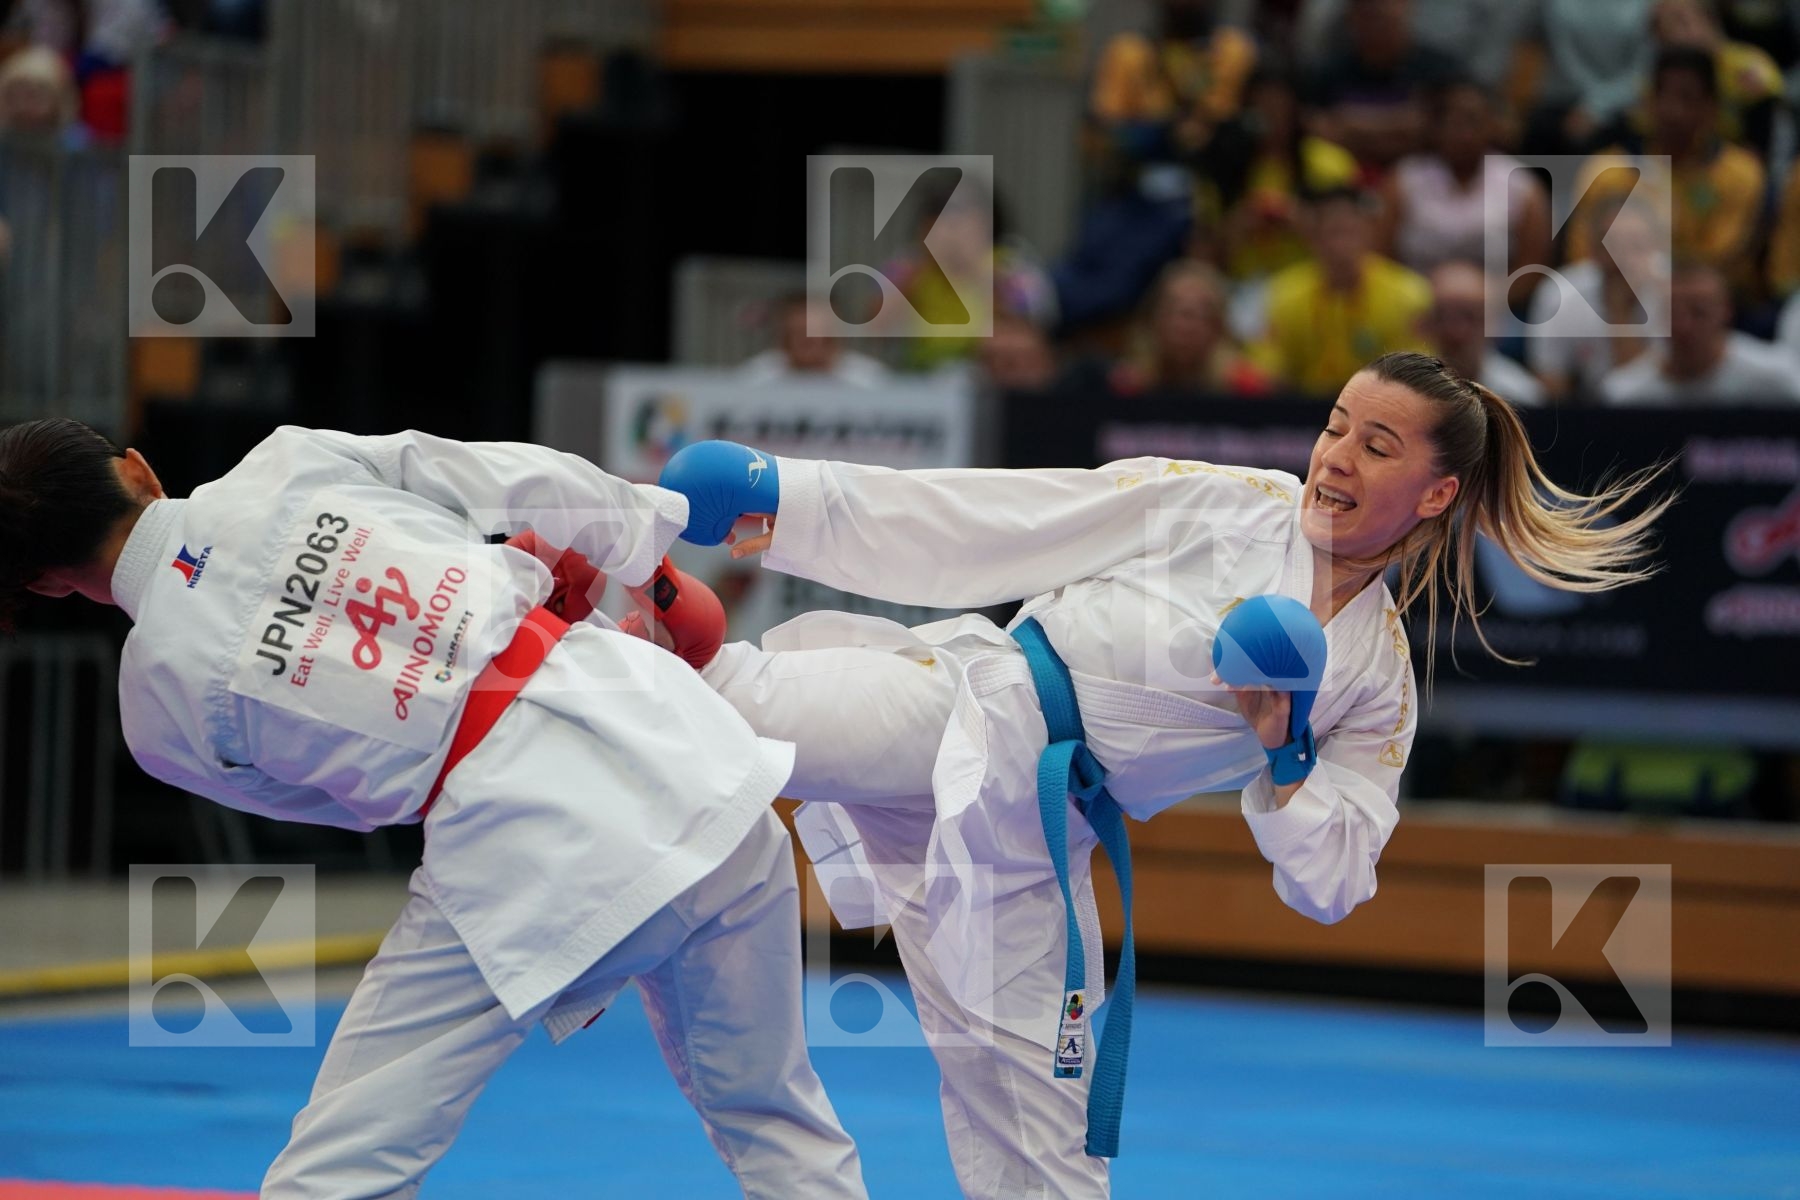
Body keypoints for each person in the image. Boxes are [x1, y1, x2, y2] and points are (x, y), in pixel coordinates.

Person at [658, 350, 1670, 1197]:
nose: (1337, 456)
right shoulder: (1228, 506)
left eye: (1377, 444)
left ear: (1436, 493)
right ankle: (550, 623)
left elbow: (1331, 882)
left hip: (1038, 843)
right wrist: (787, 501)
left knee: (1048, 1165)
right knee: (720, 708)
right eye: (1335, 426)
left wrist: (1285, 751)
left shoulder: (1374, 684)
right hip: (970, 708)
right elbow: (1002, 521)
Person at [0, 419, 866, 1198]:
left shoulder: (155, 709)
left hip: (524, 842)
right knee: (778, 1122)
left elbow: (346, 807)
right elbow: (525, 480)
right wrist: (649, 560)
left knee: (335, 1173)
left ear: (43, 585)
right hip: (692, 754)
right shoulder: (288, 462)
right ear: (141, 470)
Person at [1566, 46, 1766, 300]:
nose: (1673, 110)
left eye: (1687, 98)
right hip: (1617, 298)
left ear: (1711, 107)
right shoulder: (1606, 170)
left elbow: (1721, 259)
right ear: (1648, 101)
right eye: (1663, 95)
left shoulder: (1741, 173)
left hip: (1704, 303)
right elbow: (1583, 256)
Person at [1380, 81, 1550, 316]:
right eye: (1455, 122)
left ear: (1491, 125)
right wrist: (1416, 302)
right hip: (1415, 308)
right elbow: (1381, 255)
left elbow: (1532, 268)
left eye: (1474, 121)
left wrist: (1482, 306)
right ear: (1437, 126)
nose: (1464, 133)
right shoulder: (1404, 180)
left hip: (1496, 309)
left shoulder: (1521, 184)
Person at [1253, 186, 1433, 395]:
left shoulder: (1409, 294)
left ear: (1369, 232)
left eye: (1350, 231)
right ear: (1313, 238)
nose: (1341, 245)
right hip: (1300, 409)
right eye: (1333, 232)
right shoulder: (1282, 294)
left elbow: (1416, 374)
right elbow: (1267, 368)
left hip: (1381, 406)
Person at [1524, 191, 1668, 401]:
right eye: (1612, 244)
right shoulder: (1560, 293)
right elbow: (1550, 384)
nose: (1622, 257)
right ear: (1591, 247)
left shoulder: (1676, 291)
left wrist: (1621, 311)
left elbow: (1653, 388)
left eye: (1635, 245)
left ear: (1655, 246)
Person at [1599, 261, 1800, 405]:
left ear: (1726, 311)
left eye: (1699, 313)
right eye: (1673, 313)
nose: (1684, 325)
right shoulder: (1624, 395)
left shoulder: (1777, 378)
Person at [1301, 0, 1461, 171]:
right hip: (1342, 180)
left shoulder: (1440, 71)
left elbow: (1442, 130)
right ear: (1350, 16)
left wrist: (1350, 124)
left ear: (1408, 7)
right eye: (1366, 8)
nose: (1377, 10)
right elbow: (1315, 128)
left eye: (1385, 5)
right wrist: (1401, 127)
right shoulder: (1326, 73)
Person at [1109, 259, 1274, 395]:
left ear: (1219, 327)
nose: (1186, 326)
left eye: (1201, 314)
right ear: (1154, 320)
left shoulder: (1246, 389)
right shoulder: (1126, 387)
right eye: (1176, 311)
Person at [1423, 261, 1546, 406]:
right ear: (1424, 323)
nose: (1456, 331)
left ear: (1494, 324)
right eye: (1443, 316)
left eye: (1470, 317)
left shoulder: (1521, 395)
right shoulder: (1405, 388)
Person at [739, 292, 889, 387]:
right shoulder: (755, 379)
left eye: (816, 335)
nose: (807, 343)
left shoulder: (869, 381)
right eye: (798, 333)